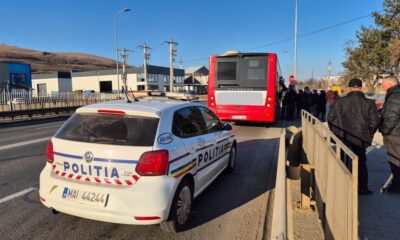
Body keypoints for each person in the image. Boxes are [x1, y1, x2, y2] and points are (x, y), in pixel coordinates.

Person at [328, 79, 380, 195]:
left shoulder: (339, 102)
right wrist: (369, 133)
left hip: (342, 137)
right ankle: (362, 188)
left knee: (342, 161)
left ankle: (343, 187)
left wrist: (335, 133)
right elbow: (375, 122)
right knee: (361, 162)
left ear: (348, 88)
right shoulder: (370, 103)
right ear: (361, 88)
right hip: (361, 138)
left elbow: (330, 118)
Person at [380, 75, 400, 193]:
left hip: (395, 134)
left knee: (395, 160)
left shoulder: (395, 95)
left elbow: (392, 116)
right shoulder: (395, 94)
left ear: (390, 84)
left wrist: (384, 130)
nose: (382, 86)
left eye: (383, 84)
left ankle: (396, 186)